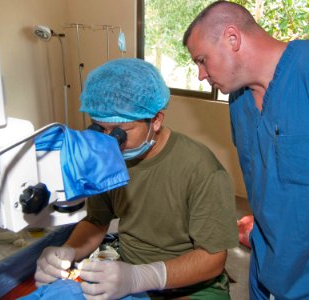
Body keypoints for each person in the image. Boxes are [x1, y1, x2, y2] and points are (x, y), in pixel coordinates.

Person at [183, 1, 309, 299]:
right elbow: (273, 180)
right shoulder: (240, 102)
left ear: (233, 38)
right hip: (266, 277)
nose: (201, 75)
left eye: (202, 60)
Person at [34, 58, 238, 299]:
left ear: (156, 120)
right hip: (124, 269)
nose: (110, 142)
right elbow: (97, 221)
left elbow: (212, 259)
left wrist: (141, 277)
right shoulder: (105, 159)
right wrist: (67, 250)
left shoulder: (201, 169)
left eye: (122, 132)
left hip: (191, 282)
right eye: (101, 128)